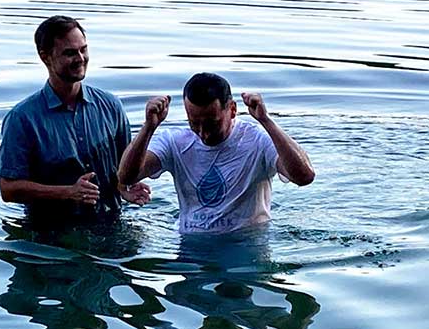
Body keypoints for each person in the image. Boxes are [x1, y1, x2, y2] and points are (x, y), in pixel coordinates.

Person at [0, 15, 150, 224]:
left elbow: (124, 167)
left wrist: (125, 188)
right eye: (70, 53)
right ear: (45, 57)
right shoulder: (22, 119)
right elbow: (8, 189)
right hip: (51, 232)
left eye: (83, 49)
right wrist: (67, 192)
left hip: (111, 223)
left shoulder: (110, 106)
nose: (80, 58)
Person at [118, 72, 314, 233]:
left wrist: (266, 121)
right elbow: (127, 176)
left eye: (212, 123)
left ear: (232, 110)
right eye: (194, 123)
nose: (203, 134)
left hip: (246, 247)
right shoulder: (174, 141)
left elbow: (304, 176)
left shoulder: (258, 140)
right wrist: (148, 128)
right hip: (191, 248)